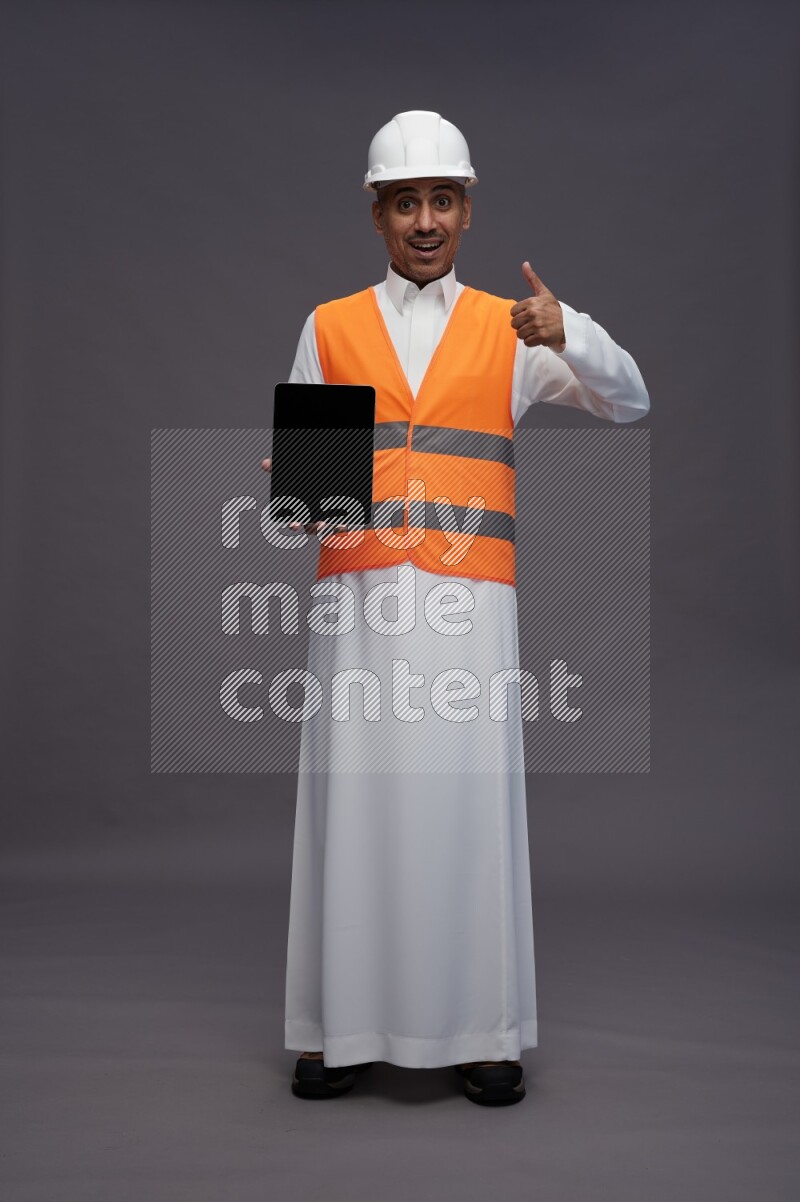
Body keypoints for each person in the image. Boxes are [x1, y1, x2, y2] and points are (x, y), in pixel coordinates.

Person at [262, 110, 650, 1106]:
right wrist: (294, 484)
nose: (424, 220)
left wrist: (571, 330)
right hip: (357, 602)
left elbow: (629, 402)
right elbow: (312, 498)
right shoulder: (329, 324)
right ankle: (339, 1028)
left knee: (465, 807)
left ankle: (480, 1031)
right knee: (351, 805)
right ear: (377, 213)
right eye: (405, 203)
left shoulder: (511, 327)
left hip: (467, 612)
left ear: (467, 212)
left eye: (441, 200)